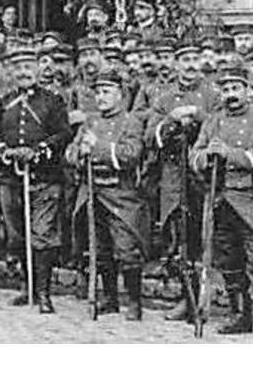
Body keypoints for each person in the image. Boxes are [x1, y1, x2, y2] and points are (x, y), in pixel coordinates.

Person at [194, 62, 253, 341]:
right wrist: (206, 156)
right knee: (228, 258)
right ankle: (240, 315)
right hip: (221, 199)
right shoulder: (213, 121)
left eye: (236, 88)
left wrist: (230, 153)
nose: (231, 94)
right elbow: (195, 154)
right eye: (226, 89)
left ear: (248, 91)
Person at [0, 44, 72, 313]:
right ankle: (28, 287)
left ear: (37, 69)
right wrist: (5, 150)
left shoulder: (52, 101)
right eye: (18, 67)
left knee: (42, 235)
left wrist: (38, 151)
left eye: (28, 66)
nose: (24, 72)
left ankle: (44, 293)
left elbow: (63, 134)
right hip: (10, 179)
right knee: (17, 235)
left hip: (45, 178)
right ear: (11, 72)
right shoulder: (4, 102)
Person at [66, 66, 149, 320]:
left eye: (106, 92)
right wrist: (79, 152)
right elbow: (69, 153)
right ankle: (110, 298)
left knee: (126, 251)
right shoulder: (90, 122)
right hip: (93, 193)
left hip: (122, 196)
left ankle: (134, 302)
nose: (100, 97)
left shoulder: (131, 121)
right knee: (100, 250)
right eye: (98, 92)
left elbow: (131, 155)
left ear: (120, 95)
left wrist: (99, 147)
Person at [145, 40, 217, 321]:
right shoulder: (165, 98)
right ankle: (186, 297)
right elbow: (150, 137)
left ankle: (205, 297)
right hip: (174, 175)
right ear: (175, 65)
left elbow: (223, 125)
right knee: (178, 235)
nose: (189, 65)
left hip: (204, 176)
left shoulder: (214, 95)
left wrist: (199, 116)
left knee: (206, 236)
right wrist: (171, 121)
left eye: (194, 58)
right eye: (183, 59)